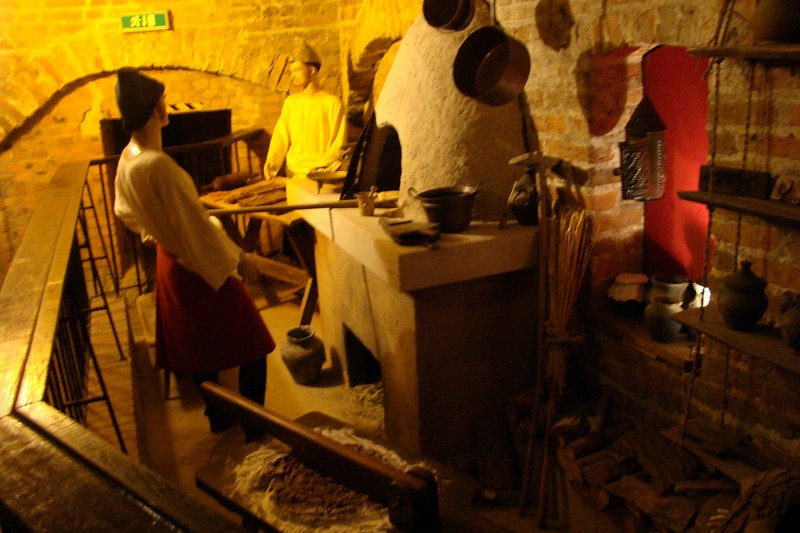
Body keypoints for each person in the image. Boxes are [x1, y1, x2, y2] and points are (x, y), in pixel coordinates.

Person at [112, 68, 274, 440]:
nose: (166, 107)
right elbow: (197, 228)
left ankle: (219, 417)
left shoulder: (127, 158)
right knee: (254, 343)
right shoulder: (158, 166)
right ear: (154, 112)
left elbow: (123, 209)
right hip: (194, 266)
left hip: (169, 262)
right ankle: (257, 429)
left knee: (198, 350)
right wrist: (239, 258)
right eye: (162, 102)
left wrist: (151, 231)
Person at [264, 40, 347, 179]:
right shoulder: (291, 103)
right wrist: (272, 163)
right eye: (291, 72)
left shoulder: (332, 103)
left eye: (296, 70)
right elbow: (280, 137)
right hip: (295, 170)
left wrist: (325, 167)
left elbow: (338, 143)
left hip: (325, 171)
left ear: (311, 70)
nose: (292, 76)